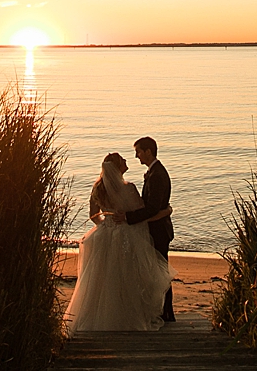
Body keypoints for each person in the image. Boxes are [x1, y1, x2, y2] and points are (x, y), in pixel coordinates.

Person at [62, 151, 173, 334]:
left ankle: (100, 317)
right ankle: (126, 315)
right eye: (123, 160)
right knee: (127, 276)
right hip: (125, 236)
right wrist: (166, 211)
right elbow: (142, 213)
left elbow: (93, 215)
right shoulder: (129, 188)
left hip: (105, 234)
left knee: (103, 278)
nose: (127, 161)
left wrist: (107, 225)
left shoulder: (97, 188)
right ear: (117, 167)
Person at [115, 136, 176, 322]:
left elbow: (152, 208)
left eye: (139, 152)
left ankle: (166, 312)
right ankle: (163, 311)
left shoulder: (157, 175)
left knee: (160, 271)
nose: (137, 156)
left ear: (148, 152)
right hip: (156, 228)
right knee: (156, 271)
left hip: (158, 231)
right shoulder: (154, 172)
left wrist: (127, 217)